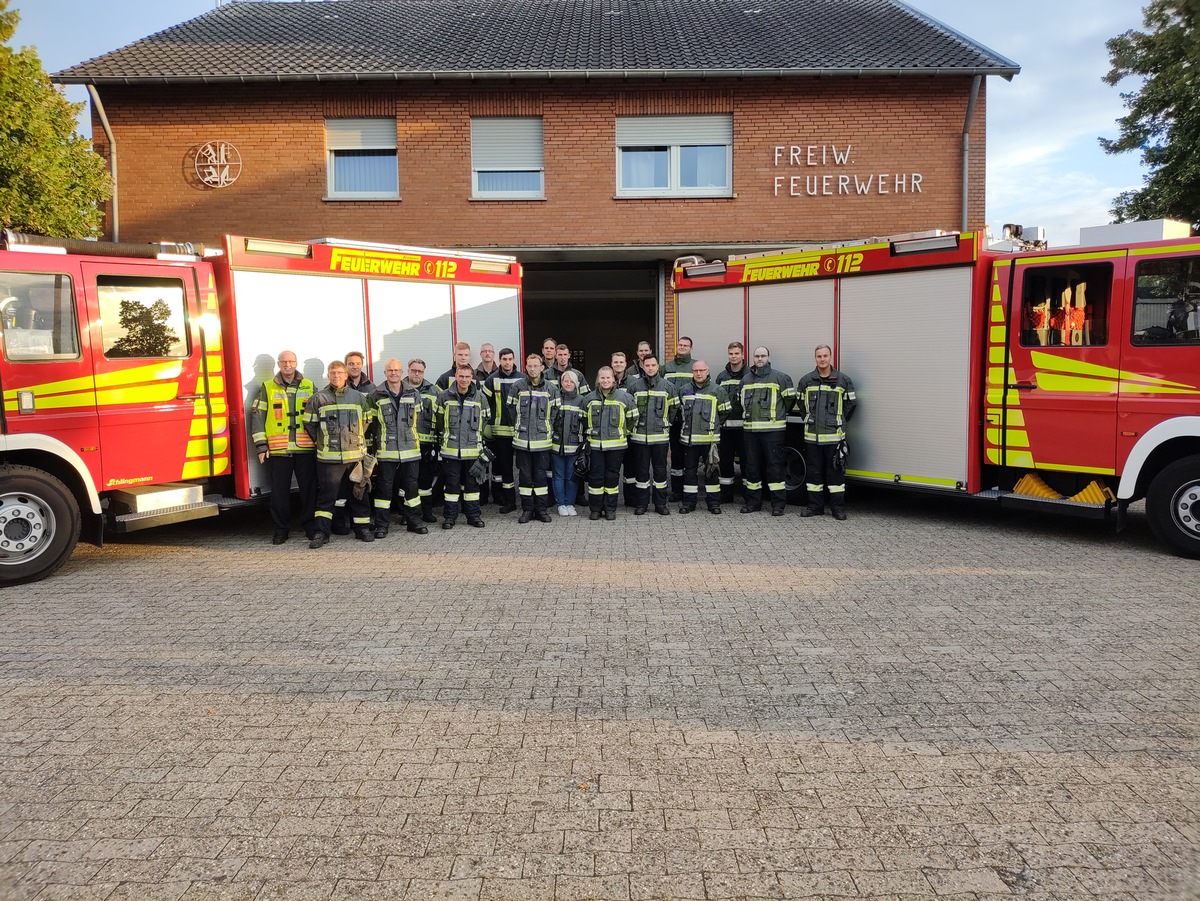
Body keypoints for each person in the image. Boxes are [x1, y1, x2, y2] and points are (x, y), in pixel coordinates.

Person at [304, 360, 377, 547]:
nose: (336, 376)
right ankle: (321, 532)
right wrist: (324, 441)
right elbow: (311, 425)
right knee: (327, 497)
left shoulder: (359, 397)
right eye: (333, 373)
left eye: (339, 373)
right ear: (328, 376)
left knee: (359, 493)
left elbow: (367, 421)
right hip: (329, 458)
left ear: (346, 375)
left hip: (355, 456)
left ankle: (362, 529)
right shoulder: (317, 398)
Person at [250, 349, 317, 544]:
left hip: (305, 448)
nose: (287, 365)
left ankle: (310, 526)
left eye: (291, 362)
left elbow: (319, 416)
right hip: (279, 450)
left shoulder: (309, 385)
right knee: (279, 493)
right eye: (284, 362)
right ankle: (281, 529)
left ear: (296, 363)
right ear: (278, 365)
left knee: (309, 491)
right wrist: (261, 446)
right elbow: (258, 416)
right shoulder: (267, 387)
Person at [797, 344, 857, 520]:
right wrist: (810, 419)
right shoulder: (806, 381)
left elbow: (850, 405)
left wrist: (838, 422)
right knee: (814, 473)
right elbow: (801, 405)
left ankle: (837, 508)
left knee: (835, 474)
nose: (822, 359)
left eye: (825, 356)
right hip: (812, 437)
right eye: (819, 356)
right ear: (815, 358)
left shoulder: (843, 380)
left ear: (831, 357)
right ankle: (815, 506)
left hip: (834, 436)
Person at [370, 358, 427, 537]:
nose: (393, 373)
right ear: (385, 372)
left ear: (402, 373)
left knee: (411, 488)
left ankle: (414, 522)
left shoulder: (413, 393)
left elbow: (418, 421)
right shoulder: (376, 395)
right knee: (384, 489)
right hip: (387, 451)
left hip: (410, 450)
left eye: (397, 370)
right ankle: (381, 525)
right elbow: (371, 425)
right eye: (390, 370)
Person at [432, 363, 490, 529]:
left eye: (467, 377)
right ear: (456, 377)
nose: (464, 380)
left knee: (472, 486)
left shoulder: (480, 397)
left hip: (472, 451)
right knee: (451, 485)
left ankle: (473, 516)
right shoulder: (444, 397)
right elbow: (439, 423)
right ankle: (450, 517)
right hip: (451, 452)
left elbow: (485, 420)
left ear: (472, 378)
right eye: (461, 376)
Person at [740, 345, 795, 516]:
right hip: (750, 432)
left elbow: (789, 402)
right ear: (753, 358)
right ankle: (753, 503)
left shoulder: (781, 378)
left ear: (768, 357)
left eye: (763, 355)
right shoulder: (745, 380)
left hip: (773, 432)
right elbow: (739, 402)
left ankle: (778, 504)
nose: (760, 359)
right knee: (752, 468)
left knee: (775, 468)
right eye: (757, 356)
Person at [581, 366, 638, 520]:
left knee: (612, 477)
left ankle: (610, 509)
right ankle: (595, 509)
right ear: (598, 380)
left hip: (616, 446)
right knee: (596, 478)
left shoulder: (625, 398)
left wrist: (622, 433)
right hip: (595, 446)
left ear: (614, 380)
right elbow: (584, 420)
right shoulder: (589, 398)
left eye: (608, 378)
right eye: (602, 378)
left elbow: (632, 419)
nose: (605, 381)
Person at [330, 349, 376, 533]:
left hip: (362, 446)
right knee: (340, 490)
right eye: (351, 363)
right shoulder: (338, 387)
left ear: (362, 366)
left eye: (358, 363)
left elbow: (370, 418)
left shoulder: (371, 388)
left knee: (361, 484)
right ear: (346, 367)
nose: (355, 366)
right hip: (340, 448)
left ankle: (361, 524)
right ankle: (340, 524)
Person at [508, 352, 558, 523]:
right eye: (530, 366)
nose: (533, 368)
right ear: (526, 367)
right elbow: (511, 411)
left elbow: (555, 414)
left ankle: (541, 510)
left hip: (543, 442)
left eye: (536, 365)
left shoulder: (551, 388)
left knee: (540, 477)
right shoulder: (517, 386)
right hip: (522, 442)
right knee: (525, 477)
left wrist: (545, 428)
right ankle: (527, 510)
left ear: (542, 367)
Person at [676, 359, 730, 514]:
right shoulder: (684, 390)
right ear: (692, 372)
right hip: (689, 440)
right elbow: (679, 413)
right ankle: (688, 503)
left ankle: (713, 503)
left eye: (702, 370)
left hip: (710, 440)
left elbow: (724, 412)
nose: (698, 373)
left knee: (712, 472)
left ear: (707, 371)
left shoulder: (717, 390)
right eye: (695, 371)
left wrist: (713, 425)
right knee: (690, 472)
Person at [627, 354, 677, 516]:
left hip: (660, 438)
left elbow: (674, 409)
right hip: (639, 438)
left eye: (653, 365)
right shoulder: (634, 387)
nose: (650, 368)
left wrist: (665, 423)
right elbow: (628, 410)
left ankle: (660, 504)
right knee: (641, 472)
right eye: (647, 365)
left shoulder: (668, 387)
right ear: (642, 366)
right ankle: (641, 504)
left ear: (658, 366)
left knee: (660, 472)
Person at [480, 347, 522, 514]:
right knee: (505, 468)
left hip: (520, 431)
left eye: (510, 359)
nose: (507, 362)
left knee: (524, 467)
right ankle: (509, 500)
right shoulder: (491, 380)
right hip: (500, 433)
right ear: (500, 360)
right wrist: (486, 426)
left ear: (513, 360)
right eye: (504, 359)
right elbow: (483, 404)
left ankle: (524, 498)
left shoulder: (522, 379)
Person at [406, 358, 441, 524]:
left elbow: (441, 416)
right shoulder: (401, 389)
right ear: (408, 371)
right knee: (407, 481)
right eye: (413, 370)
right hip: (406, 444)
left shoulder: (434, 391)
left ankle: (427, 511)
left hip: (427, 443)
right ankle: (409, 514)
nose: (416, 374)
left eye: (420, 371)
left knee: (426, 481)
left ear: (423, 372)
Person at [716, 341, 749, 503]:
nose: (734, 356)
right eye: (731, 353)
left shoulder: (751, 375)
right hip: (726, 429)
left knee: (747, 463)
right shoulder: (722, 377)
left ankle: (748, 495)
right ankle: (726, 495)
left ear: (743, 355)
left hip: (745, 429)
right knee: (725, 462)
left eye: (737, 353)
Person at [663, 336, 694, 500]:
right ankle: (676, 491)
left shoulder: (695, 366)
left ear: (691, 348)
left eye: (686, 345)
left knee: (690, 456)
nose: (682, 347)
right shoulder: (666, 367)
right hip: (673, 419)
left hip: (690, 420)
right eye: (680, 345)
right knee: (675, 455)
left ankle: (689, 490)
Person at [551, 369, 586, 516]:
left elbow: (586, 424)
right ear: (561, 382)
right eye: (566, 381)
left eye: (571, 381)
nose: (568, 383)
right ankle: (561, 504)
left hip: (574, 446)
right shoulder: (555, 397)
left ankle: (570, 503)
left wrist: (584, 444)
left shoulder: (582, 401)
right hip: (556, 445)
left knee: (571, 476)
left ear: (576, 383)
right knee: (558, 475)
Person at [612, 350, 641, 503]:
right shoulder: (605, 379)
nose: (618, 364)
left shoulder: (634, 382)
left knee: (631, 467)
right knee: (613, 469)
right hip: (611, 434)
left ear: (625, 364)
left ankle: (631, 499)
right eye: (616, 362)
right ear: (612, 364)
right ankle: (612, 500)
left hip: (628, 432)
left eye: (621, 362)